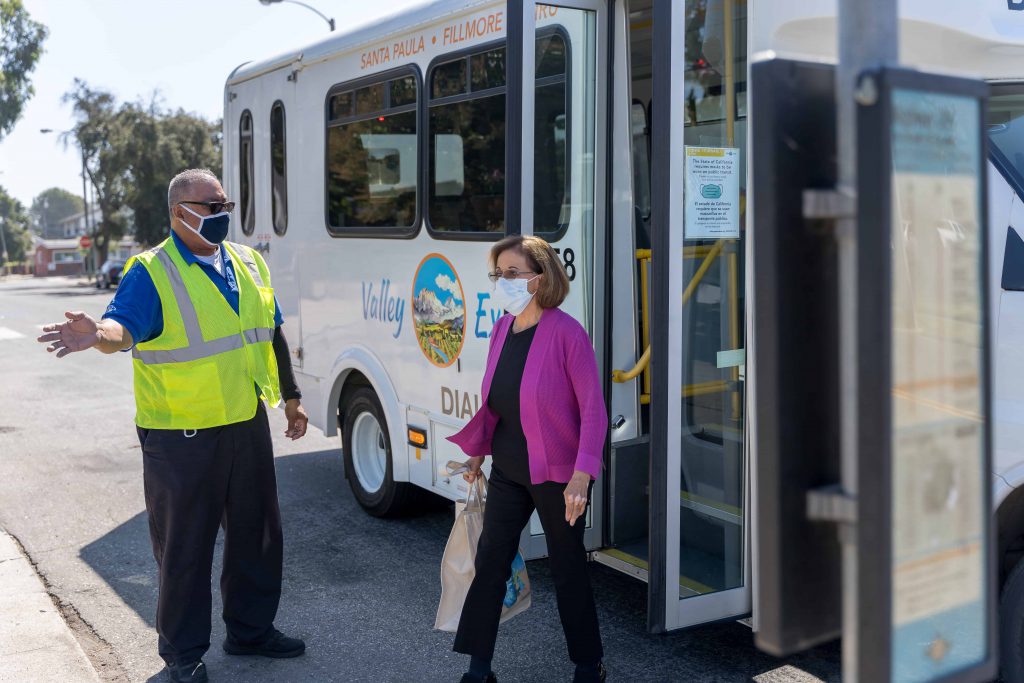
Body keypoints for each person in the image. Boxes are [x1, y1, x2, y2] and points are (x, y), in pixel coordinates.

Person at [36, 169, 308, 683]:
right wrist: (96, 333)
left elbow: (270, 331)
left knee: (257, 535)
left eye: (225, 202)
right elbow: (123, 329)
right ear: (179, 211)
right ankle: (183, 658)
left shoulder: (248, 262)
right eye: (210, 205)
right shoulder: (151, 270)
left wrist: (291, 398)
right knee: (185, 547)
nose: (221, 212)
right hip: (180, 435)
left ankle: (250, 631)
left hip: (245, 421)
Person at [447, 235, 608, 683]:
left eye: (512, 273)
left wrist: (582, 475)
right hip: (508, 470)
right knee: (490, 564)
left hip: (559, 476)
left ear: (540, 277)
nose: (503, 282)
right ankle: (479, 669)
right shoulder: (503, 328)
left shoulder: (567, 333)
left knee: (567, 567)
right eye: (498, 274)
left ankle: (588, 665)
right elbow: (495, 401)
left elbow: (593, 410)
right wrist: (478, 453)